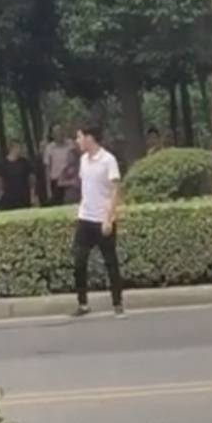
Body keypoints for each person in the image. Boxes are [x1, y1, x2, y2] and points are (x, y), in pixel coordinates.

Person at [72, 122, 123, 317]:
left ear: (89, 138)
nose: (77, 141)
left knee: (110, 262)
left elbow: (115, 190)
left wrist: (109, 219)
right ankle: (83, 303)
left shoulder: (108, 160)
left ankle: (117, 303)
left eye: (79, 137)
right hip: (85, 218)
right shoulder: (83, 160)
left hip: (102, 219)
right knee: (79, 261)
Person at [0, 139, 37, 210]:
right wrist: (0, 194)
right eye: (19, 147)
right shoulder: (2, 164)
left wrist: (32, 195)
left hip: (24, 198)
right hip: (8, 198)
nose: (20, 150)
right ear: (12, 148)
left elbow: (32, 179)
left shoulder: (25, 162)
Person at [44, 124, 75, 205]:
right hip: (56, 181)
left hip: (70, 179)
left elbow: (76, 161)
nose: (59, 133)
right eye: (56, 132)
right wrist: (48, 190)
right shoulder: (49, 148)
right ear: (52, 135)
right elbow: (47, 169)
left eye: (60, 130)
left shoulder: (71, 144)